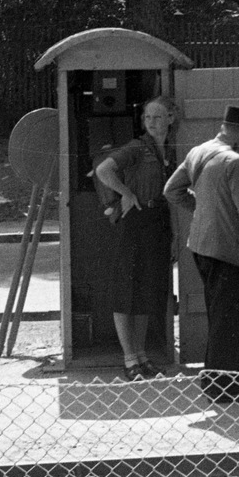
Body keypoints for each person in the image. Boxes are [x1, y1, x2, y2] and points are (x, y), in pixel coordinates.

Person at [164, 105, 239, 404]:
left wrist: (203, 211)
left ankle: (213, 378)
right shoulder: (235, 161)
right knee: (230, 321)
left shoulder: (198, 152)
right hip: (227, 249)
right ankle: (224, 386)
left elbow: (172, 190)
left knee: (218, 316)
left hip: (201, 247)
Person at [94, 95, 177, 379]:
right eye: (148, 117)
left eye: (158, 116)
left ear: (171, 118)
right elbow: (103, 170)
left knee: (147, 291)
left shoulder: (170, 149)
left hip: (157, 221)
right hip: (135, 221)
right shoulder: (137, 148)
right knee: (125, 291)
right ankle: (130, 360)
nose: (152, 122)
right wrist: (126, 193)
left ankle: (141, 356)